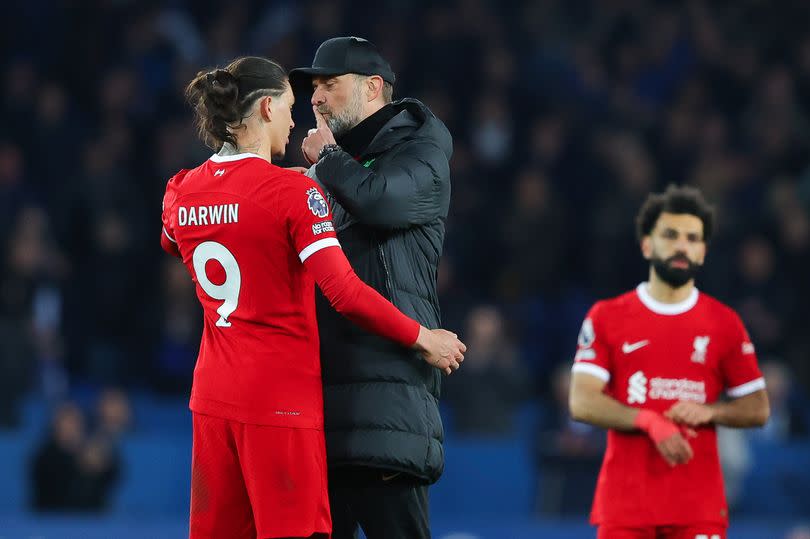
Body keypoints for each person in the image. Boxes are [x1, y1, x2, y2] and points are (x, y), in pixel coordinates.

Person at [160, 56, 465, 539]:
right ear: (264, 109)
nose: (294, 120)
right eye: (288, 106)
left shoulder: (179, 191)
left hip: (212, 399)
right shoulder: (291, 195)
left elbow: (174, 240)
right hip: (279, 399)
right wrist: (421, 336)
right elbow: (343, 293)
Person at [289, 36, 452, 539]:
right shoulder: (331, 172)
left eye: (328, 85)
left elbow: (380, 200)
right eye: (311, 89)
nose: (314, 99)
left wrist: (329, 160)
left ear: (373, 87)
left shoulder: (421, 148)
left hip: (389, 402)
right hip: (323, 404)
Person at [568, 185, 770, 539]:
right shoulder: (607, 316)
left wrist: (713, 412)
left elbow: (758, 407)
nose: (682, 246)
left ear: (703, 252)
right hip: (626, 507)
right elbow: (582, 401)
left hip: (698, 509)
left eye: (693, 238)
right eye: (670, 234)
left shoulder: (724, 323)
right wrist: (648, 420)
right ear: (647, 244)